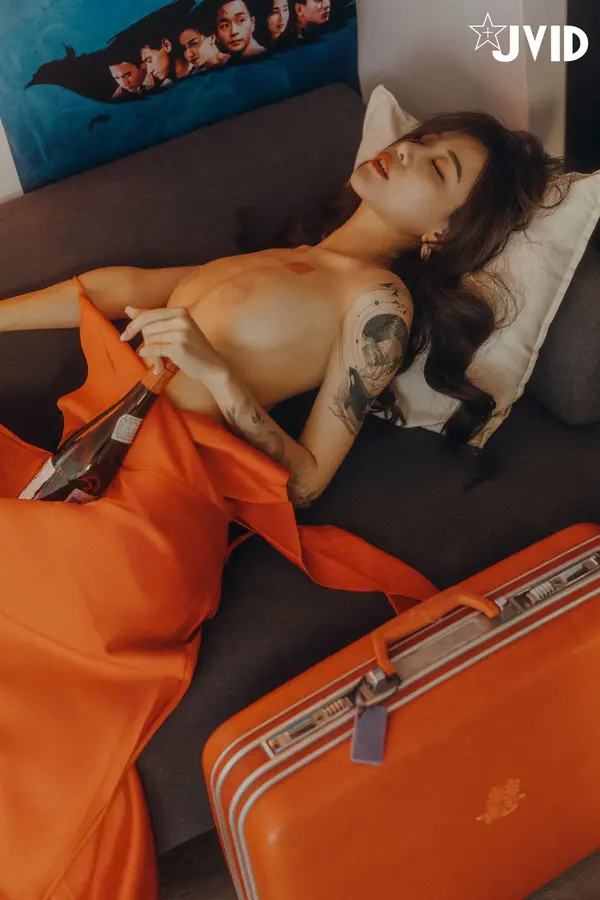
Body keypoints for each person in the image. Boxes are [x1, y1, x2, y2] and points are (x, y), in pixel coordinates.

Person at [0, 111, 576, 898]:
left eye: (439, 167)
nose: (407, 150)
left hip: (155, 519)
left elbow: (306, 481)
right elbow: (123, 288)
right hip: (88, 465)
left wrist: (219, 374)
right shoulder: (288, 254)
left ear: (441, 234)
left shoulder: (379, 302)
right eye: (421, 139)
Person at [179, 5, 231, 74]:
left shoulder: (237, 61)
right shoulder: (194, 74)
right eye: (184, 48)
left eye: (194, 44)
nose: (188, 54)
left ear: (212, 38)